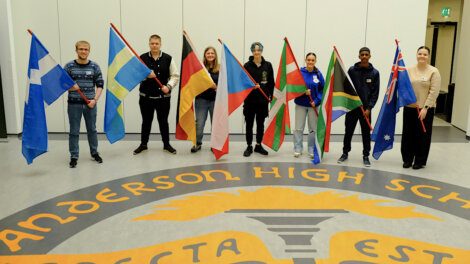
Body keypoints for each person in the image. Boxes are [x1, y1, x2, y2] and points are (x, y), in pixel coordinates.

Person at [133, 34, 180, 155]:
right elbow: (135, 75)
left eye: (156, 43)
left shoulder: (168, 58)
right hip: (146, 98)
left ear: (160, 44)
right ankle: (143, 144)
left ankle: (166, 144)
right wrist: (146, 76)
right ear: (149, 44)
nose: (154, 45)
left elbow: (175, 76)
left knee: (163, 121)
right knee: (146, 121)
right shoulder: (142, 58)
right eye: (152, 43)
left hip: (163, 98)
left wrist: (168, 86)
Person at [338, 47, 380, 167]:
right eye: (362, 54)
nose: (364, 56)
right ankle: (345, 153)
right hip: (352, 107)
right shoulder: (352, 70)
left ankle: (366, 155)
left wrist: (369, 108)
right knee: (348, 131)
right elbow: (346, 87)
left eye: (366, 54)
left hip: (366, 109)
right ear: (359, 56)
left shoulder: (375, 73)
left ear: (370, 56)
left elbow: (375, 93)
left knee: (366, 133)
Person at [65, 40, 104, 168]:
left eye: (86, 49)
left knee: (92, 130)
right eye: (81, 49)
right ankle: (74, 156)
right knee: (74, 131)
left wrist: (95, 100)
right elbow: (62, 85)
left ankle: (94, 153)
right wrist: (72, 88)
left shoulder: (94, 67)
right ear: (76, 50)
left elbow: (100, 85)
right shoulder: (69, 66)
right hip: (74, 104)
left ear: (89, 51)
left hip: (90, 104)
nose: (83, 51)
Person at [401, 46, 441, 170]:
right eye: (420, 54)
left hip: (425, 109)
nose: (422, 56)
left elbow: (434, 91)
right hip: (410, 107)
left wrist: (426, 108)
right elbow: (404, 87)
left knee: (422, 135)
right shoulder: (408, 70)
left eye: (425, 54)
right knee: (408, 134)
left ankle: (419, 160)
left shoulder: (434, 71)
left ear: (428, 56)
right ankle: (407, 159)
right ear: (416, 55)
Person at [243, 42, 274, 157]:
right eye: (254, 50)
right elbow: (243, 83)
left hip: (262, 101)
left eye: (258, 50)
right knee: (249, 124)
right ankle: (249, 146)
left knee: (260, 124)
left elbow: (271, 82)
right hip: (250, 101)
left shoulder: (268, 65)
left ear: (261, 51)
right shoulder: (247, 66)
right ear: (252, 52)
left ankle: (258, 145)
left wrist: (270, 96)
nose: (256, 52)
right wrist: (251, 86)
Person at [294, 52, 324, 159]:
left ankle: (311, 148)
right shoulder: (300, 73)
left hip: (313, 106)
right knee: (298, 127)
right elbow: (294, 88)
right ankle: (298, 148)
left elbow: (322, 90)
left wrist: (316, 101)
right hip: (301, 105)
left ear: (315, 61)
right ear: (305, 60)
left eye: (312, 60)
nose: (310, 62)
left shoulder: (319, 74)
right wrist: (303, 92)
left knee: (312, 129)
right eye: (308, 60)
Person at [191, 47, 219, 153]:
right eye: (208, 53)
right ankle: (197, 143)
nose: (210, 55)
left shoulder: (220, 68)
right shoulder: (200, 68)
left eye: (212, 53)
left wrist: (215, 87)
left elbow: (224, 85)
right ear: (205, 55)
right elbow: (194, 82)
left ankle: (215, 145)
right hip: (201, 100)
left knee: (215, 124)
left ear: (215, 55)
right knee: (199, 123)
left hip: (215, 101)